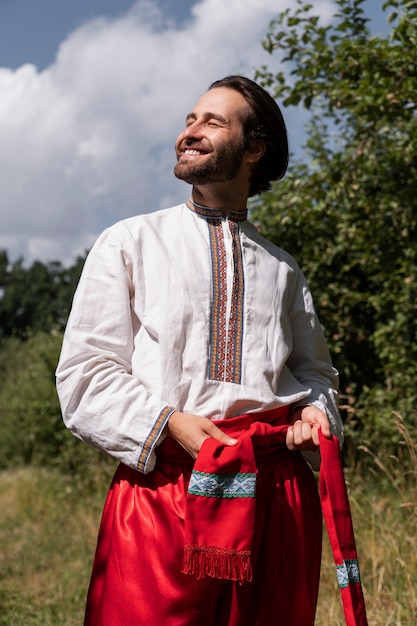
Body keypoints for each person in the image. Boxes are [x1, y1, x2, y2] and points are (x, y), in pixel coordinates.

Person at [56, 75, 343, 626]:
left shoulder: (284, 269)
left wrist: (313, 413)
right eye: (190, 120)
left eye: (212, 122)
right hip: (164, 489)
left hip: (274, 491)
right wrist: (168, 423)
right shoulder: (130, 242)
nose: (190, 131)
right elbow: (84, 375)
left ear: (254, 149)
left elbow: (316, 374)